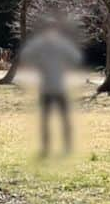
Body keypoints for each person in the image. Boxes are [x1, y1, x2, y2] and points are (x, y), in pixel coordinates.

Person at [16, 19, 81, 154]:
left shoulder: (61, 44)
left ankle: (67, 147)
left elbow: (75, 57)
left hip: (59, 88)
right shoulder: (40, 45)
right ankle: (46, 148)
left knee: (63, 119)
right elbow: (26, 55)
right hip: (46, 89)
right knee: (46, 120)